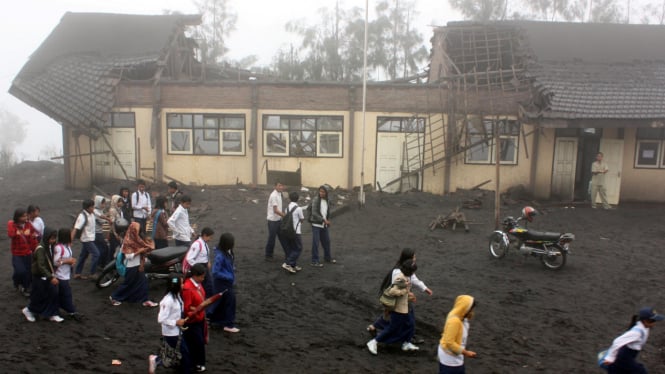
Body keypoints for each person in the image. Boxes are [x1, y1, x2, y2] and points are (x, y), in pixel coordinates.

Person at [367, 248, 433, 340]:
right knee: (404, 318)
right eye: (414, 256)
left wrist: (425, 288)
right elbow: (397, 286)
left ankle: (375, 327)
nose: (415, 258)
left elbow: (413, 279)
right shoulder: (399, 271)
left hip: (396, 297)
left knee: (391, 315)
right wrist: (409, 294)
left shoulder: (405, 268)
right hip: (397, 298)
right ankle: (406, 337)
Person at [366, 259, 420, 355]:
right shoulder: (401, 279)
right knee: (393, 328)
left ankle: (406, 342)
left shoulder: (404, 277)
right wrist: (405, 292)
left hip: (406, 306)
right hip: (398, 308)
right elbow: (393, 292)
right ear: (410, 271)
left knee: (410, 324)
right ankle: (374, 342)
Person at [148, 273, 191, 374]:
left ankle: (156, 360)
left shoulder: (177, 297)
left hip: (177, 331)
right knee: (183, 354)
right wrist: (175, 322)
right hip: (171, 333)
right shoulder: (168, 301)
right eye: (181, 284)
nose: (183, 285)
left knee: (174, 354)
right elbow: (161, 319)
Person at [109, 222, 158, 307]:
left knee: (143, 283)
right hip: (131, 266)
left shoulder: (138, 240)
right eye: (138, 231)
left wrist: (142, 263)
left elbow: (146, 249)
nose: (139, 233)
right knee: (128, 284)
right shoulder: (127, 242)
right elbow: (129, 256)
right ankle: (114, 297)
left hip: (138, 265)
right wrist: (140, 251)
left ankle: (144, 300)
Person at [601, 307, 664, 373]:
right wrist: (610, 357)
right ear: (645, 321)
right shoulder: (636, 333)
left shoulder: (645, 327)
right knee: (641, 371)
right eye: (653, 321)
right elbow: (617, 342)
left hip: (626, 357)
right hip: (624, 358)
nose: (655, 323)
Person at [21, 228, 63, 323]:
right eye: (52, 238)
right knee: (39, 295)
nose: (53, 240)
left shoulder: (50, 246)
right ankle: (29, 310)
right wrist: (51, 277)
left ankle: (50, 313)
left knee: (52, 293)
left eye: (54, 238)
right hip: (40, 276)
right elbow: (41, 266)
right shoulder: (41, 249)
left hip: (45, 275)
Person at [208, 233, 240, 333]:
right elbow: (215, 272)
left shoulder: (225, 252)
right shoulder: (221, 256)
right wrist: (229, 276)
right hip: (222, 283)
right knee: (230, 302)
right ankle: (228, 324)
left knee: (220, 302)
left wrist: (231, 269)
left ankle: (215, 320)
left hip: (223, 283)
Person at [438, 295, 477, 374]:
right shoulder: (455, 321)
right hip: (449, 357)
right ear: (465, 308)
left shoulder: (460, 317)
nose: (472, 311)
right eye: (471, 309)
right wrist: (466, 353)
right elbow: (449, 342)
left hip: (454, 354)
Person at [182, 263, 208, 373]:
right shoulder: (188, 288)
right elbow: (187, 309)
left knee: (197, 342)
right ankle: (198, 363)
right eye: (201, 276)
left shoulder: (196, 284)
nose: (203, 279)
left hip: (199, 319)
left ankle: (196, 363)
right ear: (195, 276)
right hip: (193, 321)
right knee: (197, 343)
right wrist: (198, 311)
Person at [53, 228, 82, 321]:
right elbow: (55, 262)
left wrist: (71, 261)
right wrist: (68, 261)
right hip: (60, 275)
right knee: (66, 294)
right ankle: (71, 311)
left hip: (65, 274)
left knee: (62, 294)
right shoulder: (59, 248)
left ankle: (64, 310)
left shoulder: (67, 246)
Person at [8, 208, 39, 297]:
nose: (26, 217)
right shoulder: (12, 225)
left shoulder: (29, 225)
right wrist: (14, 225)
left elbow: (33, 238)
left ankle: (25, 288)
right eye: (24, 216)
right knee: (20, 271)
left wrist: (36, 248)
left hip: (27, 252)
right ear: (18, 217)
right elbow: (11, 234)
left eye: (26, 215)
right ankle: (17, 282)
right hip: (17, 253)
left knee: (28, 272)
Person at [72, 199, 100, 281]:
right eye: (92, 207)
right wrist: (70, 241)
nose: (93, 208)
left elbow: (100, 215)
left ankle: (77, 273)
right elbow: (75, 229)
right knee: (96, 254)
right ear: (87, 208)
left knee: (83, 256)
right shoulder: (82, 216)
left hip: (90, 238)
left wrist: (108, 219)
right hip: (87, 239)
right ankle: (92, 273)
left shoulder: (92, 213)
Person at [183, 227, 215, 299]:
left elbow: (205, 254)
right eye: (210, 237)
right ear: (205, 235)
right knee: (205, 284)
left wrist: (208, 261)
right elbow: (189, 258)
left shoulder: (204, 243)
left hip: (204, 266)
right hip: (200, 267)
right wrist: (197, 268)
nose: (210, 239)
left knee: (207, 284)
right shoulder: (197, 244)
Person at [310, 184, 335, 267]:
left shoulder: (327, 200)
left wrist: (326, 220)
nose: (321, 193)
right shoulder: (316, 200)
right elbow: (314, 213)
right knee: (316, 243)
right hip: (316, 224)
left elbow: (327, 211)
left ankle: (327, 258)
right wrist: (324, 220)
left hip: (324, 224)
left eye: (323, 192)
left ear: (327, 193)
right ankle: (314, 261)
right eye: (320, 191)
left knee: (327, 242)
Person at [264, 181, 287, 262]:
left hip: (278, 220)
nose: (281, 187)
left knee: (282, 237)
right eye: (279, 185)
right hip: (272, 221)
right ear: (275, 186)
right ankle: (268, 255)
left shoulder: (279, 194)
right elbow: (275, 210)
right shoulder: (274, 195)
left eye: (282, 185)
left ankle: (288, 253)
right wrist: (285, 216)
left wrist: (282, 216)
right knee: (272, 238)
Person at [282, 191, 304, 273]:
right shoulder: (298, 209)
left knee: (292, 248)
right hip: (296, 231)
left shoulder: (287, 208)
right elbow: (302, 219)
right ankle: (288, 263)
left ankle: (293, 265)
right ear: (297, 199)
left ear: (290, 198)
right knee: (298, 248)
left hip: (288, 230)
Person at [93, 195, 112, 268]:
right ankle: (100, 263)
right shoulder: (95, 211)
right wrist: (108, 220)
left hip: (99, 232)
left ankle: (100, 263)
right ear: (98, 203)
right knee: (103, 248)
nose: (104, 205)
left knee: (101, 248)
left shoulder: (99, 210)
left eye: (104, 203)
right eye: (102, 203)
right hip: (96, 233)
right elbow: (101, 221)